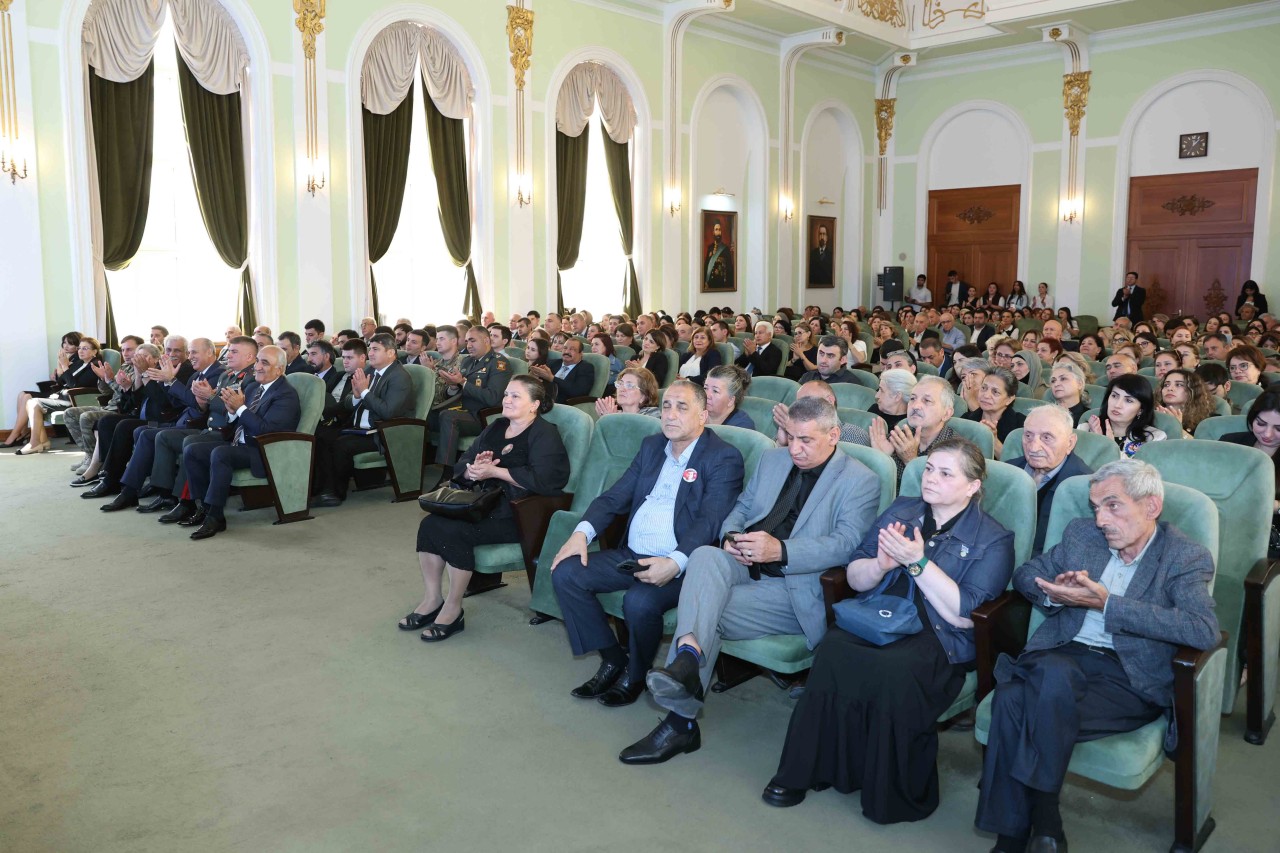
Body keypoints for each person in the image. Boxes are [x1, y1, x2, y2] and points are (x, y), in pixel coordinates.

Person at [618, 396, 880, 765]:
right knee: (707, 554)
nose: (796, 449)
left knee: (704, 611)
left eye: (807, 440)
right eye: (791, 437)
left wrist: (781, 551)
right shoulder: (774, 458)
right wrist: (730, 537)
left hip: (793, 587)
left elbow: (847, 544)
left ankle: (680, 721)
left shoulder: (860, 480)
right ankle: (689, 659)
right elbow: (740, 508)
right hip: (742, 563)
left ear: (834, 434)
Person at [976, 459, 1219, 853]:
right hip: (1064, 652)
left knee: (1014, 699)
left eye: (1113, 505)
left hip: (1126, 678)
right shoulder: (1082, 536)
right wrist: (1051, 591)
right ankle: (1045, 823)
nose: (1101, 519)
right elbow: (1026, 573)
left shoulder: (1183, 556)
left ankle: (1015, 834)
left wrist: (1109, 605)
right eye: (1095, 507)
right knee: (1051, 675)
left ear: (1151, 506)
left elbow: (1201, 629)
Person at [765, 437, 1014, 821]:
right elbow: (854, 575)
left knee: (894, 669)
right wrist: (881, 565)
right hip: (881, 613)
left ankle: (892, 794)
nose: (930, 478)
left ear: (973, 486)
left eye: (946, 474)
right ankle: (804, 770)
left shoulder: (993, 538)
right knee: (833, 649)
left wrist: (917, 563)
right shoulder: (903, 509)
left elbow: (964, 615)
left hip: (938, 635)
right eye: (929, 468)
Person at [550, 381, 745, 707]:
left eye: (682, 407)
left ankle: (637, 674)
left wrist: (675, 561)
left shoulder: (723, 457)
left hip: (682, 565)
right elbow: (614, 497)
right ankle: (613, 658)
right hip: (632, 554)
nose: (670, 415)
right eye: (667, 406)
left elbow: (710, 522)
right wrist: (581, 534)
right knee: (566, 572)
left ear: (703, 414)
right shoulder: (653, 446)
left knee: (639, 603)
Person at [404, 376, 569, 640]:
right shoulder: (497, 426)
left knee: (454, 531)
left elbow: (547, 481)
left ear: (534, 404)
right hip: (482, 503)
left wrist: (497, 471)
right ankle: (433, 598)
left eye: (516, 396)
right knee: (430, 524)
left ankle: (453, 608)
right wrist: (474, 470)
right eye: (506, 394)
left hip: (519, 512)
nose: (507, 400)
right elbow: (466, 461)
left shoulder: (544, 433)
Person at [181, 345, 302, 540]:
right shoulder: (255, 386)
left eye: (265, 363)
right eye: (257, 361)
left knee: (221, 454)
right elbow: (238, 419)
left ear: (279, 370)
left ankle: (215, 516)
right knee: (193, 450)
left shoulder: (285, 395)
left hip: (264, 450)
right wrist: (231, 412)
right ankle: (203, 507)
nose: (258, 367)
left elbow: (266, 430)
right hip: (241, 444)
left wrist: (240, 408)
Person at [310, 333, 415, 506]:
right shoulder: (370, 371)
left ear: (390, 353)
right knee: (321, 436)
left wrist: (365, 392)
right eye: (370, 349)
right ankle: (320, 489)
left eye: (376, 349)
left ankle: (335, 493)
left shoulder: (399, 377)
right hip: (358, 428)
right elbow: (348, 402)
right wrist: (358, 396)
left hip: (383, 433)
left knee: (340, 445)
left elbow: (388, 412)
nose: (371, 354)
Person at [1007, 406, 1093, 555]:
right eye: (1028, 436)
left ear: (1070, 443)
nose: (1033, 447)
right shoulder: (1009, 471)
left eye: (1046, 437)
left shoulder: (1084, 489)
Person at [11, 336, 106, 455]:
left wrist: (66, 366)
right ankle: (42, 441)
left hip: (75, 399)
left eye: (85, 348)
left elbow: (75, 386)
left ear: (94, 351)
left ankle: (35, 443)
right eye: (80, 348)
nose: (81, 351)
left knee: (33, 402)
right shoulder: (80, 363)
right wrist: (61, 365)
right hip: (63, 396)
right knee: (31, 401)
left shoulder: (95, 365)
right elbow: (61, 381)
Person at [434, 326, 513, 465]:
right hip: (465, 410)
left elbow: (493, 398)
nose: (468, 345)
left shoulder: (499, 363)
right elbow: (455, 393)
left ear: (486, 340)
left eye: (473, 341)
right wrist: (453, 386)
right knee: (430, 416)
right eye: (466, 341)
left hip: (484, 415)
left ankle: (445, 470)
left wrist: (463, 383)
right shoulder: (467, 361)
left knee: (448, 417)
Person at [871, 375, 957, 481]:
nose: (915, 406)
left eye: (927, 400)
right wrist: (884, 459)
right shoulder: (896, 439)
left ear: (947, 414)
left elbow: (940, 494)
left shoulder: (957, 452)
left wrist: (910, 460)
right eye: (912, 398)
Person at [1086, 374, 1166, 456]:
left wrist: (1110, 447)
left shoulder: (1154, 439)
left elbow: (1140, 468)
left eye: (1128, 400)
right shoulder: (1086, 429)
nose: (1117, 405)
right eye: (1114, 396)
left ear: (1140, 410)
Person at [963, 366, 1025, 457]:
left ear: (1009, 399)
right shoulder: (966, 419)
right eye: (984, 388)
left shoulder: (1020, 425)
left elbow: (1017, 466)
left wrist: (994, 440)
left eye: (995, 392)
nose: (986, 395)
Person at [1156, 368, 1215, 438]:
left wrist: (1176, 427)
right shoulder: (1150, 414)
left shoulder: (1207, 421)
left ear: (1192, 390)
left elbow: (1202, 447)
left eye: (1178, 385)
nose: (1170, 388)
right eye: (1166, 385)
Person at [595, 367, 661, 419]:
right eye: (620, 383)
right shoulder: (613, 413)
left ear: (643, 396)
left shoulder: (652, 414)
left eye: (629, 386)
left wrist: (611, 420)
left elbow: (633, 435)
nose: (622, 389)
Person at [703, 365, 754, 429]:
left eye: (715, 391)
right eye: (705, 388)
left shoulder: (742, 426)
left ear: (731, 400)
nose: (706, 395)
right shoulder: (696, 413)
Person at [704, 218, 734, 290]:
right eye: (716, 229)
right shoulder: (710, 248)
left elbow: (729, 271)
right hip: (709, 286)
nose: (718, 232)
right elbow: (706, 267)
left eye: (719, 230)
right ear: (713, 232)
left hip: (721, 286)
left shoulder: (726, 249)